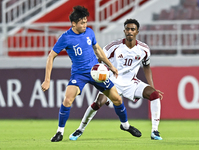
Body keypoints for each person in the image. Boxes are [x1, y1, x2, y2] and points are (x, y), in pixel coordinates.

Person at [41, 6, 142, 142]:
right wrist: (47, 80)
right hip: (79, 74)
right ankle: (59, 132)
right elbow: (50, 57)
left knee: (117, 99)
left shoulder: (89, 32)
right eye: (82, 23)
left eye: (86, 22)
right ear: (73, 23)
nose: (85, 25)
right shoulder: (65, 38)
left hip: (97, 72)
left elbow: (98, 50)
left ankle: (125, 125)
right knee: (67, 99)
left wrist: (111, 66)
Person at [69, 19, 164, 141]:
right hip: (112, 82)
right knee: (98, 103)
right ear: (124, 31)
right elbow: (98, 58)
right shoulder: (114, 46)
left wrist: (152, 86)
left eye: (132, 29)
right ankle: (80, 129)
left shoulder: (144, 49)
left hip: (131, 83)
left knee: (154, 95)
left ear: (137, 32)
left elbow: (146, 66)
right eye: (127, 29)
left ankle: (154, 131)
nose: (130, 31)